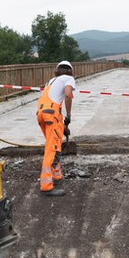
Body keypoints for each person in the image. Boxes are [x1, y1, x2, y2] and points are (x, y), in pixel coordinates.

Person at [36, 60, 76, 197]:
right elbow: (67, 95)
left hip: (42, 114)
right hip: (51, 115)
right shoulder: (68, 79)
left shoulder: (51, 81)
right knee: (51, 149)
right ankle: (46, 186)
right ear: (70, 71)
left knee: (55, 144)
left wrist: (63, 126)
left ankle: (56, 176)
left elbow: (52, 103)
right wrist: (69, 115)